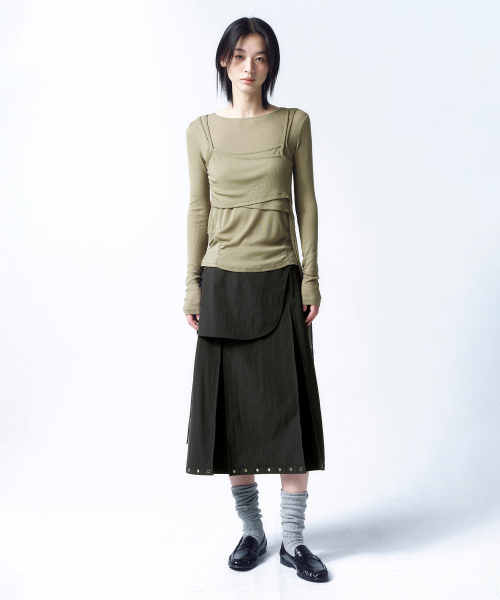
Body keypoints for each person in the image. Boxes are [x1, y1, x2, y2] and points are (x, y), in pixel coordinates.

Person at [183, 17, 328, 583]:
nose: (250, 67)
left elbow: (306, 203)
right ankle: (252, 531)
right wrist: (191, 283)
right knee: (233, 417)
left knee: (290, 413)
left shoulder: (293, 124)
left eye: (261, 57)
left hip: (280, 280)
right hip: (222, 283)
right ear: (225, 61)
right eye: (240, 55)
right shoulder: (201, 131)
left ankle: (294, 542)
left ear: (271, 65)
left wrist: (311, 278)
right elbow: (198, 210)